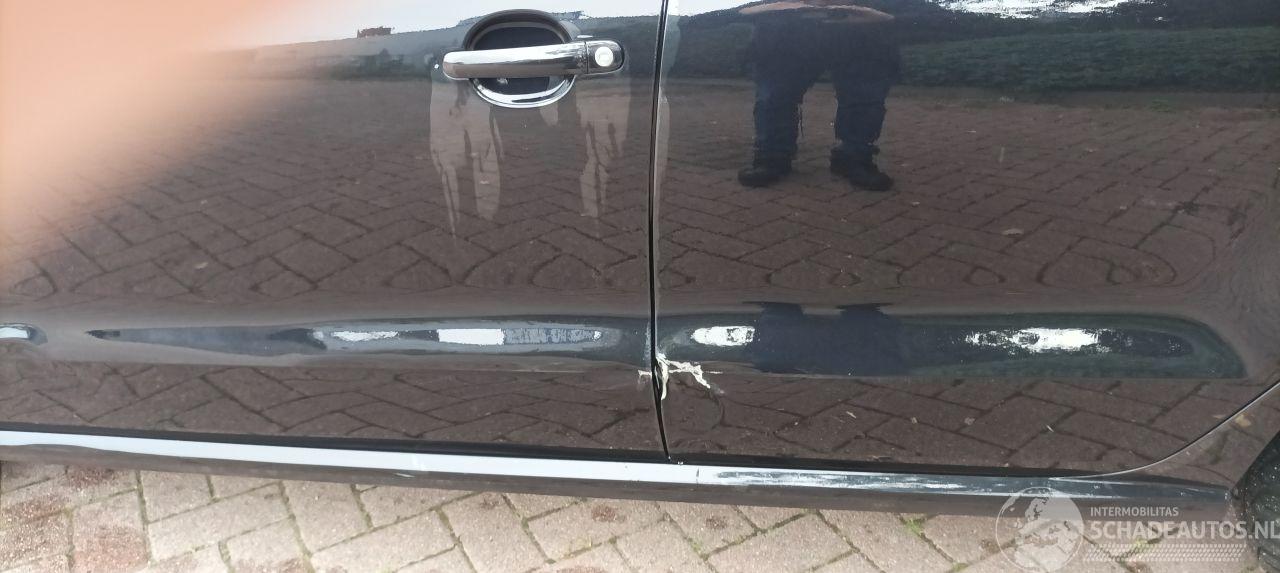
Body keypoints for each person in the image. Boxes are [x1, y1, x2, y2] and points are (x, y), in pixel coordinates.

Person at [737, 0, 900, 191]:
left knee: (864, 97)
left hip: (862, 24)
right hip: (787, 22)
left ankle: (854, 157)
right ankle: (772, 157)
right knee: (775, 95)